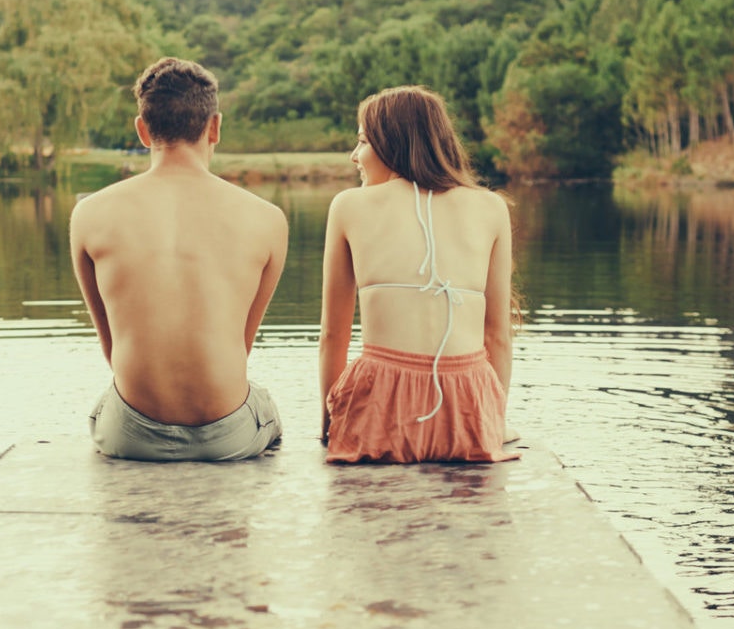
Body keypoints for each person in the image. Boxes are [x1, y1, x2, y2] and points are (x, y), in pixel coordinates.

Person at [70, 57, 288, 461]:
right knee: (264, 405)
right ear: (215, 126)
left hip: (130, 436)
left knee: (105, 404)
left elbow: (112, 348)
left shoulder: (89, 214)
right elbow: (240, 348)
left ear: (141, 130)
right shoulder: (267, 219)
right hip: (228, 435)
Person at [319, 86, 520, 464]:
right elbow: (497, 337)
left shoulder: (348, 205)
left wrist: (329, 426)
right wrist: (492, 423)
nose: (354, 156)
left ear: (389, 143)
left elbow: (333, 335)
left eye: (362, 142)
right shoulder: (492, 208)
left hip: (380, 411)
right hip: (466, 413)